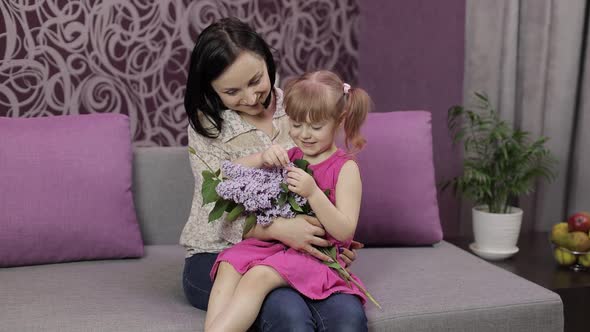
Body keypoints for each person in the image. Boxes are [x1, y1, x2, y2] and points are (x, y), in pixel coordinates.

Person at [181, 17, 366, 331]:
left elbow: (328, 184)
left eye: (256, 81)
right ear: (211, 89)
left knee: (342, 313)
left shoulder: (300, 105)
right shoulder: (207, 127)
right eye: (232, 91)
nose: (251, 98)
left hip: (295, 249)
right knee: (286, 309)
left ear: (268, 63)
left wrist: (330, 243)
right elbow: (214, 207)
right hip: (218, 251)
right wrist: (277, 229)